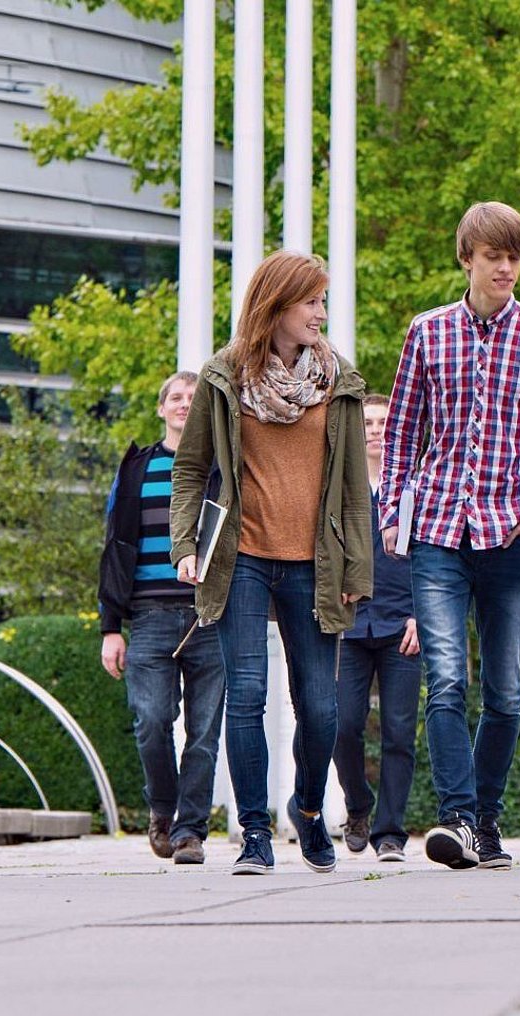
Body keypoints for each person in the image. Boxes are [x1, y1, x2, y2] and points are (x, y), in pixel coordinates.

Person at [381, 202, 520, 871]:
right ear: (467, 258)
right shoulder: (427, 333)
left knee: (506, 691)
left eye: (514, 256)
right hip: (439, 529)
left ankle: (487, 820)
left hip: (510, 534)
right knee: (445, 681)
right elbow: (402, 434)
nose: (506, 268)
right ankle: (457, 819)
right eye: (494, 255)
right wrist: (392, 521)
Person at [169, 250, 371, 876]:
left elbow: (353, 491)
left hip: (316, 564)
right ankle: (255, 832)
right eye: (310, 301)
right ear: (277, 305)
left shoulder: (339, 382)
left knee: (321, 708)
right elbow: (191, 468)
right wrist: (185, 546)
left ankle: (307, 810)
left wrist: (357, 573)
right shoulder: (224, 377)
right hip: (241, 559)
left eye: (322, 302)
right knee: (247, 694)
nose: (320, 313)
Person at [97, 371, 226, 864]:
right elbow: (114, 548)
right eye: (176, 397)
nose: (184, 404)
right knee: (151, 721)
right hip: (148, 617)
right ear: (161, 408)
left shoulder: (220, 469)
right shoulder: (135, 469)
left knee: (205, 732)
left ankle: (190, 831)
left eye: (193, 398)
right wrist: (111, 628)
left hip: (209, 617)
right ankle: (163, 810)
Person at [333, 394, 422, 864]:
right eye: (365, 422)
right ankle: (358, 805)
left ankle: (390, 833)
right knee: (341, 726)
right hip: (348, 627)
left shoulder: (416, 487)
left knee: (399, 732)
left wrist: (423, 616)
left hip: (402, 625)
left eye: (383, 421)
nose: (373, 429)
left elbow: (436, 561)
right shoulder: (339, 488)